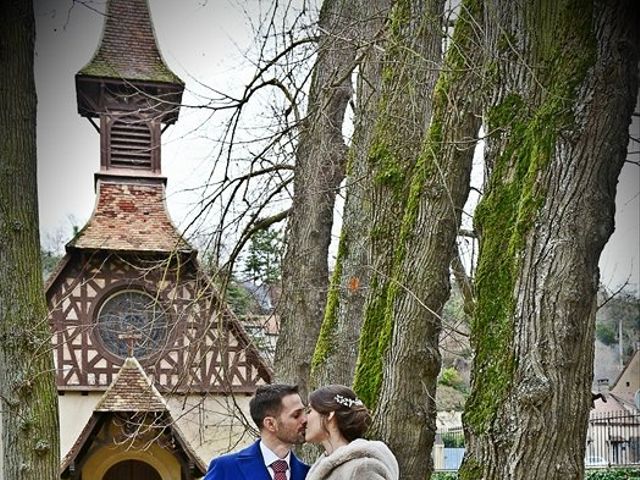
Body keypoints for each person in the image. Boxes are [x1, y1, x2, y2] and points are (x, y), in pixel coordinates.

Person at [204, 383, 310, 480]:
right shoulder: (225, 469)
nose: (305, 419)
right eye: (296, 415)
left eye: (305, 412)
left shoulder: (309, 474)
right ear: (270, 424)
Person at [304, 385, 399, 480]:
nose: (304, 419)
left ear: (329, 414)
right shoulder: (323, 468)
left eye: (309, 411)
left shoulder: (362, 469)